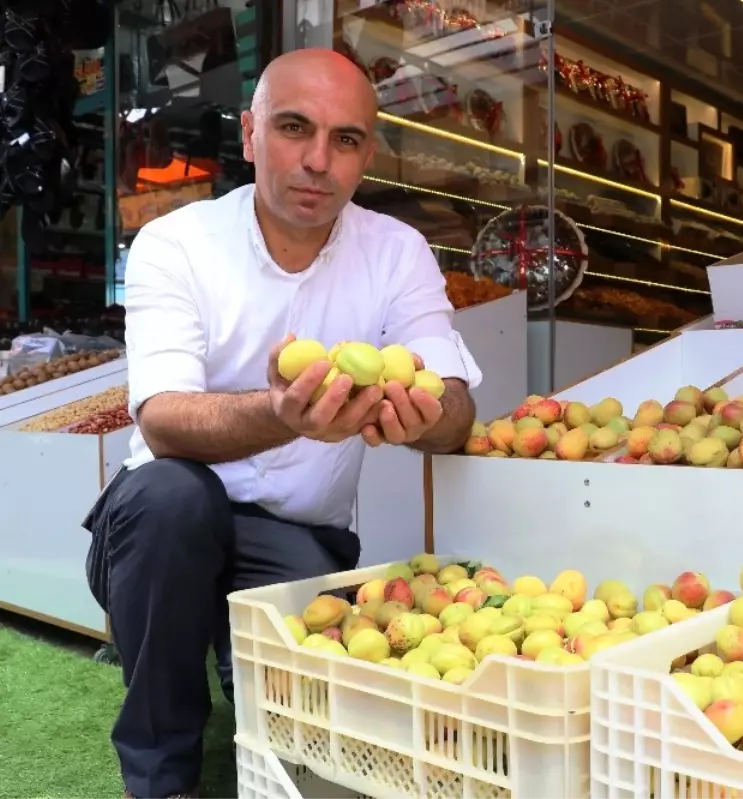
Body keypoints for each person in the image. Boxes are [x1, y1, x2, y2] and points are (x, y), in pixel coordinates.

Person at [83, 48, 481, 799]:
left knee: (298, 733)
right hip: (159, 524)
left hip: (297, 533)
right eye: (295, 127)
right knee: (173, 498)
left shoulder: (397, 253)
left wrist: (423, 418)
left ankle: (239, 679)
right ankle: (161, 777)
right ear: (250, 133)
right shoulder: (179, 243)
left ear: (368, 154)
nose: (318, 161)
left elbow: (457, 408)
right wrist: (282, 416)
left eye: (347, 139)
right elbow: (164, 420)